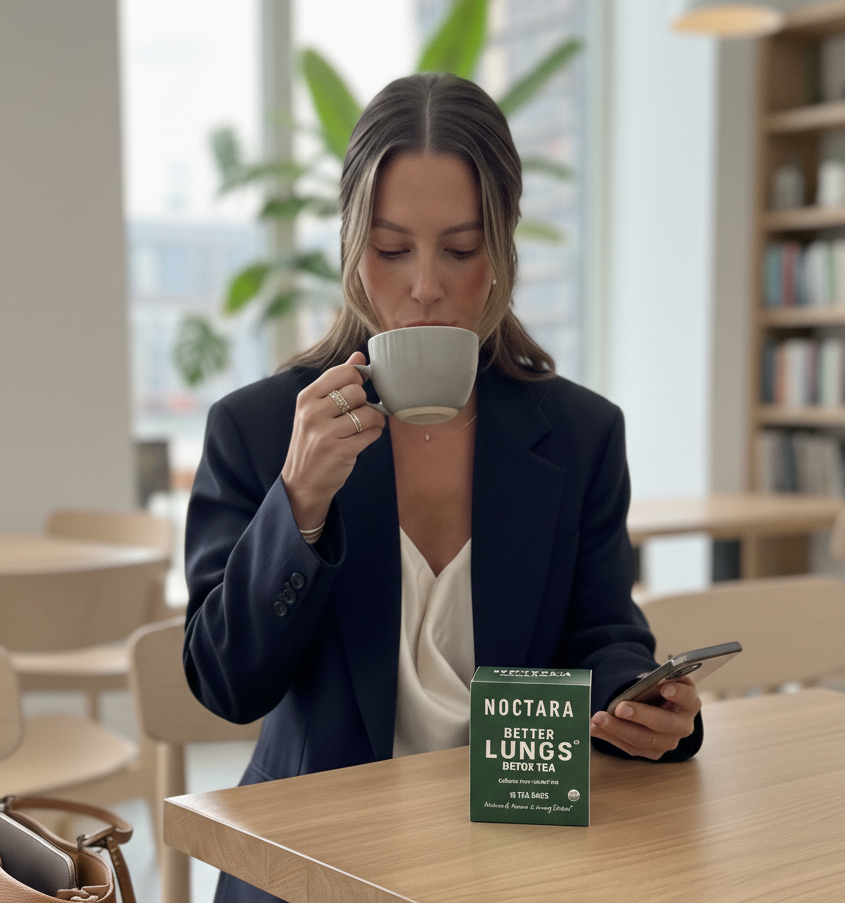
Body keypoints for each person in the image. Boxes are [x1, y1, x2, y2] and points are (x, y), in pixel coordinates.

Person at [183, 72, 702, 903]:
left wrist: (640, 705)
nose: (425, 285)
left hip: (510, 858)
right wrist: (298, 502)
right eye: (393, 249)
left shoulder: (581, 434)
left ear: (501, 252)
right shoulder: (260, 427)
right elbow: (226, 685)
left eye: (459, 250)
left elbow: (603, 634)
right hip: (312, 865)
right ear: (354, 250)